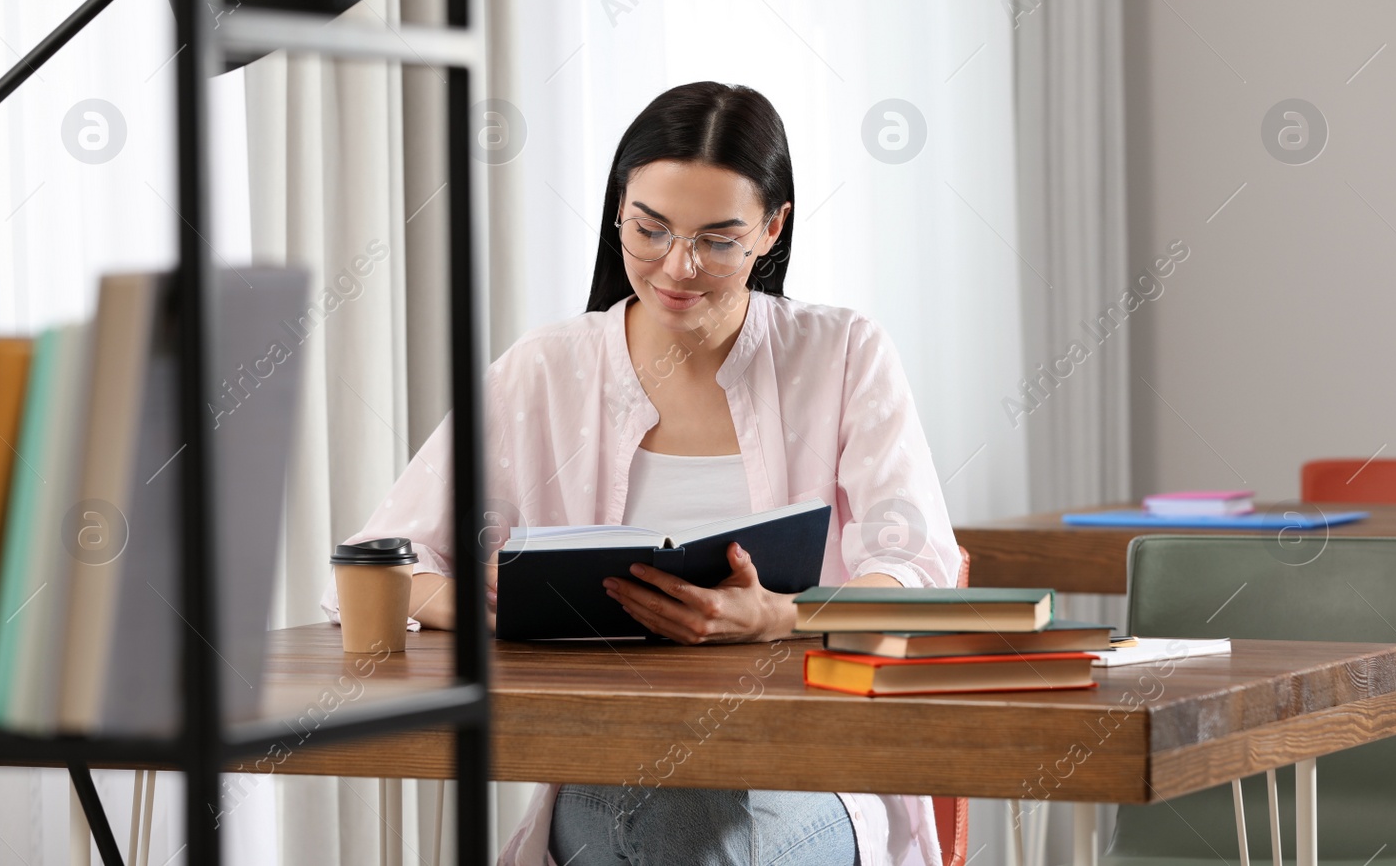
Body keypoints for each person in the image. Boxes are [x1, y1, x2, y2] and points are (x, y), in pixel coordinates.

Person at [322, 81, 965, 866]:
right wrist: (494, 609)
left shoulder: (843, 355)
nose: (678, 267)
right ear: (618, 210)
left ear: (772, 227)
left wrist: (781, 618)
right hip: (607, 759)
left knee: (674, 836)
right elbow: (382, 558)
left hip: (808, 768)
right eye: (649, 230)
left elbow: (913, 570)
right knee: (661, 827)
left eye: (718, 240)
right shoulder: (549, 367)